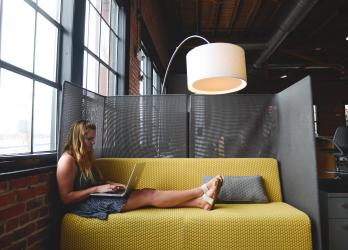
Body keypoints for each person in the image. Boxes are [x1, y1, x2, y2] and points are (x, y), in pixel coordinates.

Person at [57, 120, 223, 219]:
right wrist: (97, 188)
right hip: (85, 206)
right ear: (78, 138)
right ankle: (200, 190)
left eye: (94, 139)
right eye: (89, 139)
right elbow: (66, 198)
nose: (93, 143)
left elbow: (93, 184)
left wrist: (109, 185)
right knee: (148, 195)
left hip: (96, 197)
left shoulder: (85, 156)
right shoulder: (67, 161)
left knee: (147, 192)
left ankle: (201, 203)